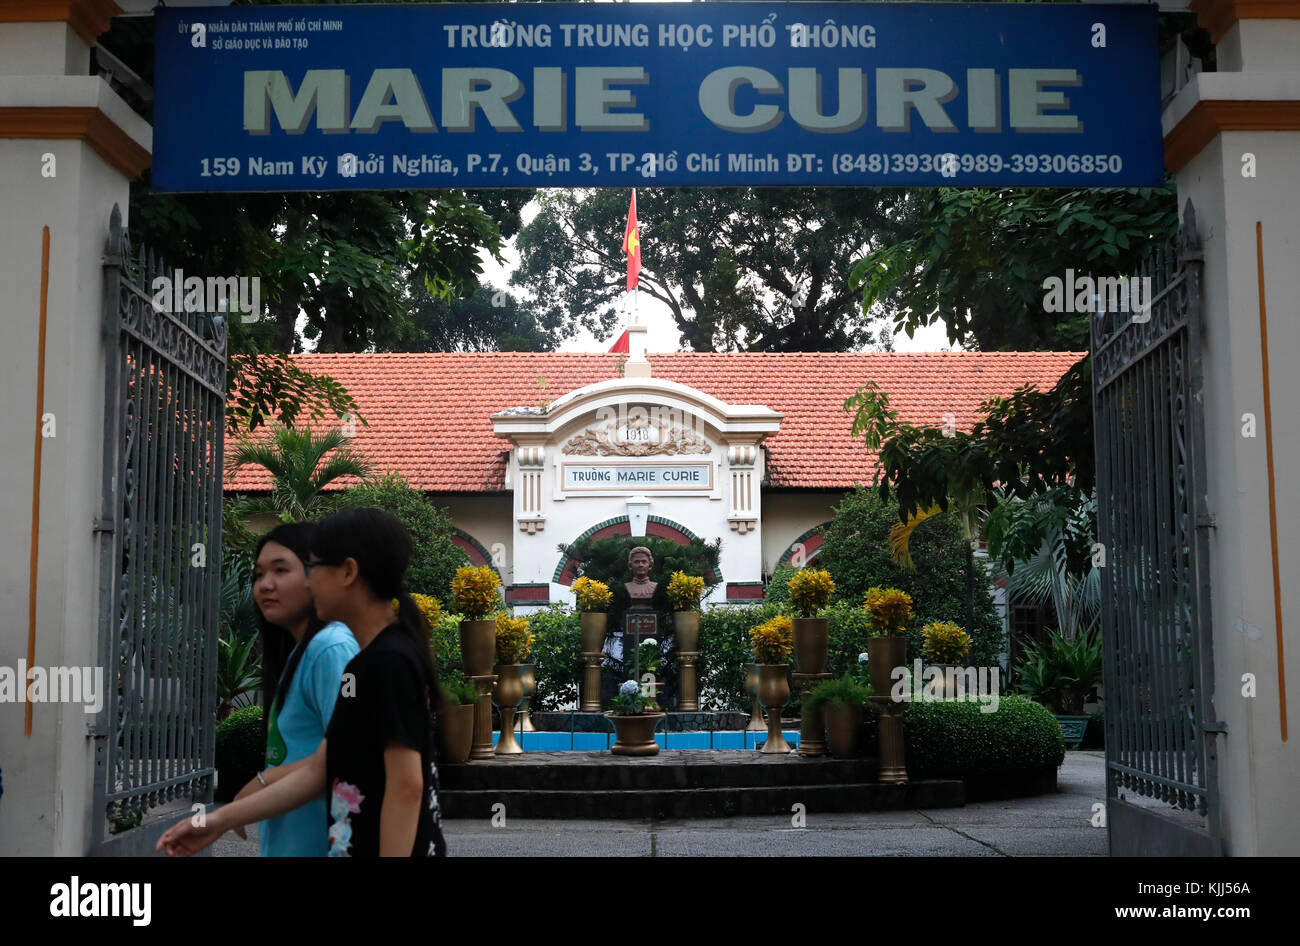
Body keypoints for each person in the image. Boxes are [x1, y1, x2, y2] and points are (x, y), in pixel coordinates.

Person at [159, 507, 446, 857]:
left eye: (312, 568)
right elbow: (317, 769)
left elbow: (407, 787)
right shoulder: (364, 663)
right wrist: (214, 822)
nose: (309, 582)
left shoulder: (386, 661)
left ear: (348, 572)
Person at [236, 523, 358, 856]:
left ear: (317, 576)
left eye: (280, 570)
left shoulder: (330, 648)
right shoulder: (301, 652)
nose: (265, 585)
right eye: (258, 574)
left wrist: (258, 785)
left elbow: (346, 754)